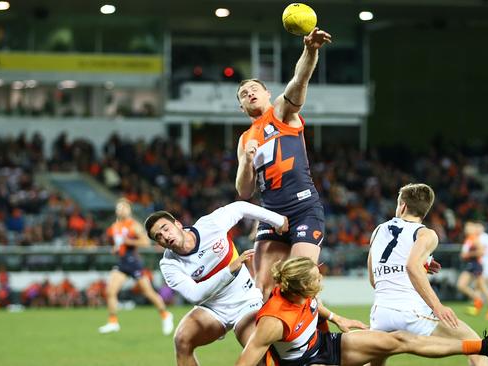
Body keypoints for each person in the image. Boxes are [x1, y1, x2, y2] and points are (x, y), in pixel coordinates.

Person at [236, 256, 488, 366]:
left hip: (325, 345)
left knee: (399, 339)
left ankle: (484, 346)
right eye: (317, 278)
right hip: (304, 363)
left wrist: (335, 317)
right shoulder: (273, 320)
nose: (321, 279)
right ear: (302, 287)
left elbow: (312, 306)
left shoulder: (301, 292)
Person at [235, 27, 332, 300]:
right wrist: (246, 161)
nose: (249, 93)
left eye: (254, 89)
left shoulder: (281, 113)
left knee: (300, 284)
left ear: (268, 94)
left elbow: (299, 81)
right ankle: (272, 343)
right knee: (263, 290)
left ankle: (316, 338)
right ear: (241, 108)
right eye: (244, 94)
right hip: (271, 215)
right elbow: (243, 192)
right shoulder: (245, 140)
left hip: (303, 208)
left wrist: (310, 50)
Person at [367, 183, 488, 366]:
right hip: (410, 312)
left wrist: (421, 265)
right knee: (477, 347)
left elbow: (374, 279)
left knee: (374, 362)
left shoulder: (378, 231)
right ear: (425, 211)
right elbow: (412, 266)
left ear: (403, 205)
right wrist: (437, 306)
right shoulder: (426, 234)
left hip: (379, 314)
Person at [143, 201, 288, 366]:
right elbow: (195, 294)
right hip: (213, 310)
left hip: (246, 302)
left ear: (178, 224)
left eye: (166, 229)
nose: (165, 236)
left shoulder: (210, 225)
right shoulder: (169, 264)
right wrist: (229, 271)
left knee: (260, 357)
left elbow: (240, 207)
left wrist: (278, 220)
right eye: (158, 236)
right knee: (182, 339)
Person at [98, 199, 174, 335]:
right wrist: (117, 248)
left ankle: (166, 315)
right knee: (110, 291)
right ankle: (113, 322)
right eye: (119, 207)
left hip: (133, 262)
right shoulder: (115, 226)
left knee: (148, 292)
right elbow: (118, 243)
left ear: (129, 210)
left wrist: (128, 241)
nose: (121, 210)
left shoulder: (134, 225)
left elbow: (145, 242)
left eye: (124, 207)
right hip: (122, 261)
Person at [457, 221, 488, 320]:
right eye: (466, 227)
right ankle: (479, 301)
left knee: (481, 287)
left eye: (469, 227)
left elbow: (481, 251)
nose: (466, 229)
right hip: (471, 265)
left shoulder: (475, 239)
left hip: (476, 265)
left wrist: (468, 255)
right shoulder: (469, 239)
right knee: (462, 285)